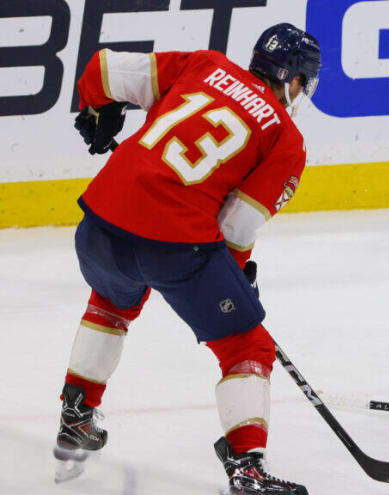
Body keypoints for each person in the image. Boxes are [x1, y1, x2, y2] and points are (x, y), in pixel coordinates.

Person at [54, 23, 320, 494]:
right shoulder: (285, 138)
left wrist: (100, 109)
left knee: (111, 303)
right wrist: (233, 278)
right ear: (295, 81)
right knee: (247, 347)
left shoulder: (205, 64)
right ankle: (247, 469)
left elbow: (102, 68)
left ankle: (76, 414)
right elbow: (235, 227)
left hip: (98, 221)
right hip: (173, 244)